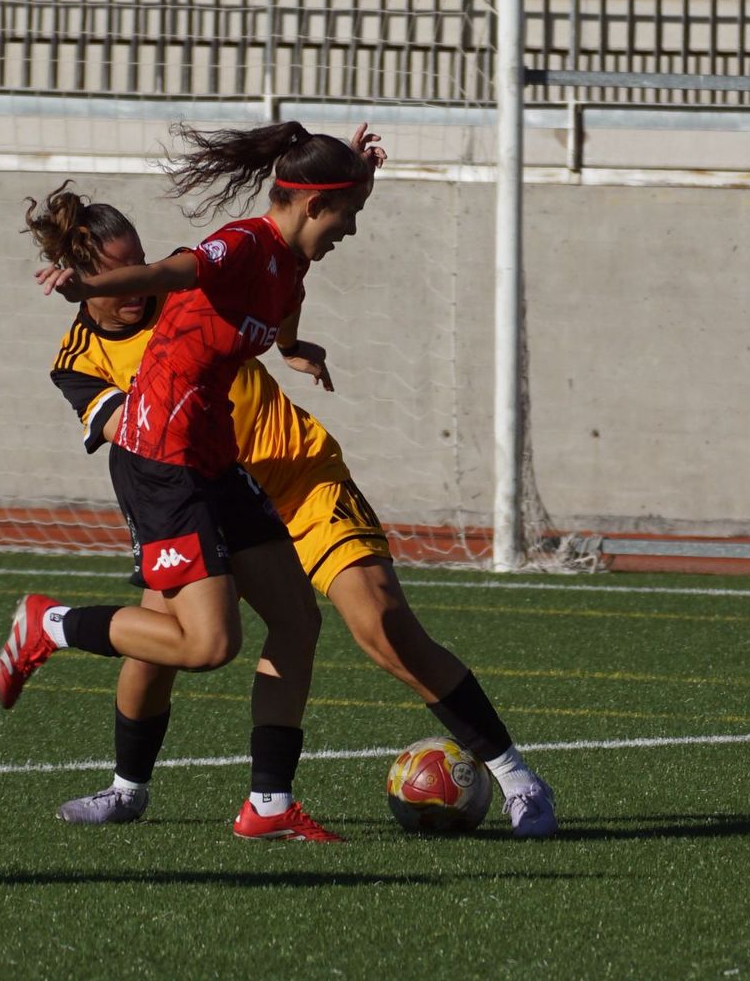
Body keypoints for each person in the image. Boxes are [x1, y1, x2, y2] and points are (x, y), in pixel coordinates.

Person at [30, 180, 557, 839]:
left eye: (135, 264)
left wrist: (287, 342)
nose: (133, 287)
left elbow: (273, 263)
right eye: (111, 276)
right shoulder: (77, 361)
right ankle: (128, 788)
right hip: (197, 492)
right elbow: (130, 436)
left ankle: (517, 780)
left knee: (384, 629)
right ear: (78, 279)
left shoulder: (185, 281)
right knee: (160, 642)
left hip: (298, 479)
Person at [0, 121, 375, 843]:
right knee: (203, 645)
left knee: (296, 619)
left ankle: (268, 806)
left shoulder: (278, 251)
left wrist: (292, 346)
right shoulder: (215, 259)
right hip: (161, 467)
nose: (349, 229)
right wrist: (97, 283)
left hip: (214, 457)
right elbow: (175, 271)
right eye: (345, 215)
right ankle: (48, 622)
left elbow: (285, 278)